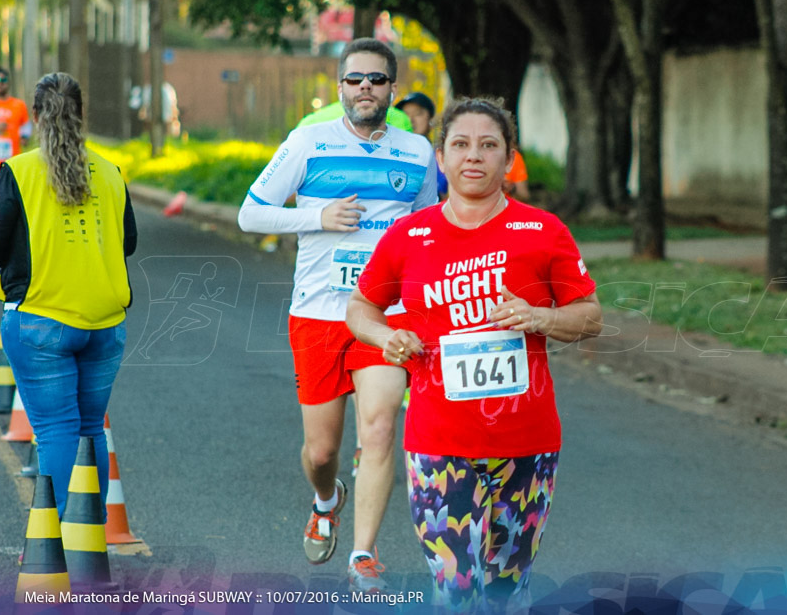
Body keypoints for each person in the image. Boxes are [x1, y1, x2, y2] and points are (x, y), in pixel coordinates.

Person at [347, 97, 602, 612]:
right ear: (440, 158)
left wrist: (539, 317)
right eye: (460, 144)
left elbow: (589, 317)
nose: (474, 156)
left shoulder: (543, 231)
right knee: (455, 589)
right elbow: (360, 307)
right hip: (438, 442)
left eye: (489, 145)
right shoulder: (409, 235)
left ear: (509, 159)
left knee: (508, 588)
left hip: (526, 443)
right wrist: (384, 337)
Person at [237, 38, 438, 592]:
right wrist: (318, 217)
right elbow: (251, 215)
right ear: (341, 87)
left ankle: (363, 555)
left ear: (392, 90)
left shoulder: (418, 152)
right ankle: (327, 499)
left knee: (378, 428)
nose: (365, 88)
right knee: (322, 450)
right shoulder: (307, 143)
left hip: (385, 315)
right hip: (319, 314)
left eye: (376, 79)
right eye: (355, 80)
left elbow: (428, 232)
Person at [0, 72, 137, 515]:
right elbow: (127, 242)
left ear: (35, 117)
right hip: (104, 326)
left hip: (40, 320)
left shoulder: (18, 170)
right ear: (81, 114)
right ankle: (87, 547)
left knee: (56, 429)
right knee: (90, 429)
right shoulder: (110, 172)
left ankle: (51, 545)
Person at [396, 91, 448, 198]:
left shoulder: (441, 157)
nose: (411, 120)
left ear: (430, 119)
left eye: (418, 114)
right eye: (405, 114)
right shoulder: (393, 155)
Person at [0, 66, 32, 166]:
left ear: (8, 82)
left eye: (3, 80)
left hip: (12, 163)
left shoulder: (19, 105)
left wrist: (25, 137)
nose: (0, 83)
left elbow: (26, 126)